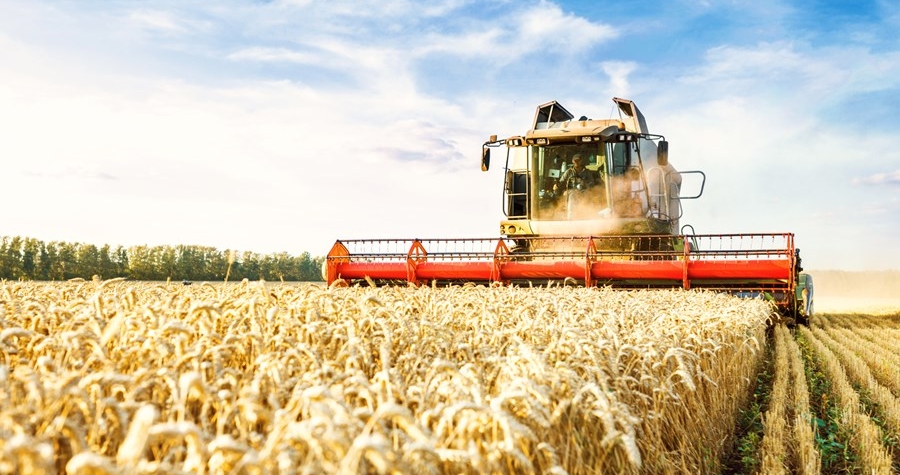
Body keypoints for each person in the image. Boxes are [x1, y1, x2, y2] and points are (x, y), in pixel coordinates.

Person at [554, 154, 599, 219]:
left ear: (581, 161)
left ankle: (587, 216)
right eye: (575, 160)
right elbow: (561, 182)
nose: (576, 162)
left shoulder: (587, 172)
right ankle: (571, 218)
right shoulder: (568, 172)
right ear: (572, 161)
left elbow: (592, 184)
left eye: (578, 160)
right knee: (572, 195)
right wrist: (557, 186)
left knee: (589, 197)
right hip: (570, 193)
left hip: (583, 192)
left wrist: (584, 184)